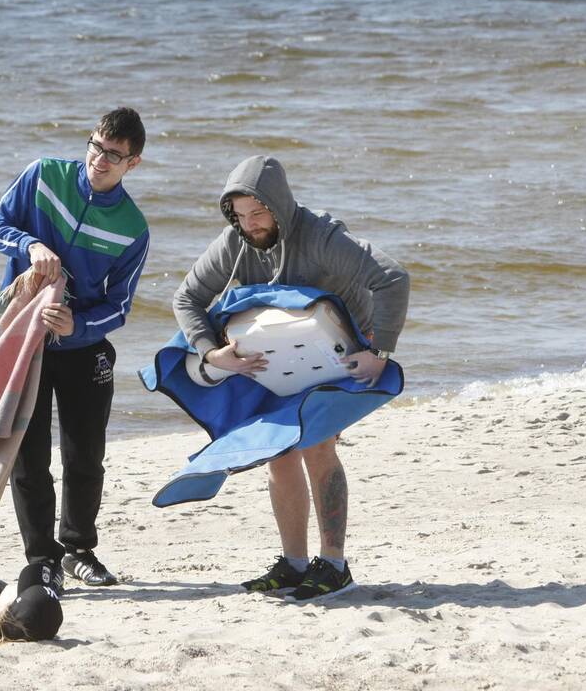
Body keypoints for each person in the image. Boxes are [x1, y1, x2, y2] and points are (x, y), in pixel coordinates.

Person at [173, 155, 409, 602]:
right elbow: (187, 297)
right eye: (239, 216)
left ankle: (334, 565)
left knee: (316, 445)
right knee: (279, 453)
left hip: (338, 354)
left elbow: (393, 279)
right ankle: (295, 563)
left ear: (278, 206)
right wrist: (211, 351)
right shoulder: (235, 241)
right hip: (279, 358)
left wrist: (379, 353)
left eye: (258, 213)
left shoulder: (323, 237)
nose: (250, 225)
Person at [0, 107, 150, 588]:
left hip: (84, 348)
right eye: (96, 146)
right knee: (28, 458)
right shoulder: (43, 176)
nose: (100, 159)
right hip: (24, 343)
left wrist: (77, 323)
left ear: (132, 163)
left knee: (85, 456)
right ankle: (42, 561)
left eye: (114, 155)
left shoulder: (133, 228)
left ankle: (77, 550)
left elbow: (120, 306)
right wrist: (30, 246)